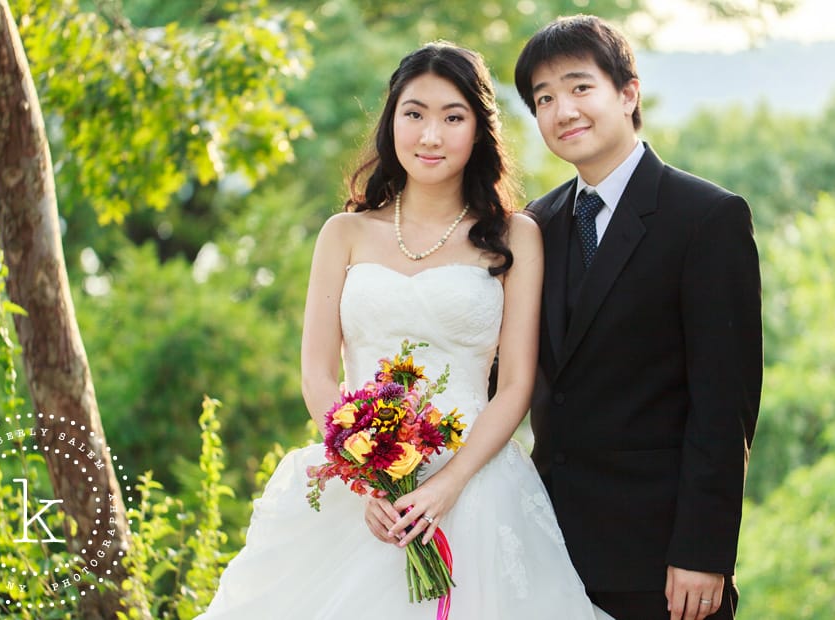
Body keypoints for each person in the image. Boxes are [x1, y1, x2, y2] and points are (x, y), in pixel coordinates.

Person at [196, 42, 610, 619]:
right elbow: (317, 373)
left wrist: (447, 486)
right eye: (414, 114)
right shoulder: (343, 233)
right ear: (392, 121)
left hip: (477, 487)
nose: (431, 136)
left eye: (452, 117)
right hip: (358, 493)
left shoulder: (518, 236)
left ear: (479, 130)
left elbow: (515, 385)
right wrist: (369, 481)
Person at [512, 14, 763, 620]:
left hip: (663, 559)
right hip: (547, 546)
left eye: (579, 87)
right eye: (543, 98)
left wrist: (703, 550)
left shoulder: (706, 218)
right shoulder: (534, 226)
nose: (562, 109)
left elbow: (724, 403)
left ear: (628, 93)